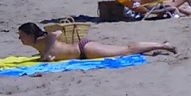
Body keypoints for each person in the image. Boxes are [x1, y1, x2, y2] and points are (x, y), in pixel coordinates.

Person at [17, 22, 176, 61]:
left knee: (125, 50)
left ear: (31, 34)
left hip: (83, 49)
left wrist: (46, 54)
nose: (20, 39)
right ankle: (157, 48)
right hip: (83, 53)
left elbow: (56, 33)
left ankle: (163, 45)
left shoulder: (43, 39)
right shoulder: (37, 45)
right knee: (125, 51)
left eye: (22, 35)